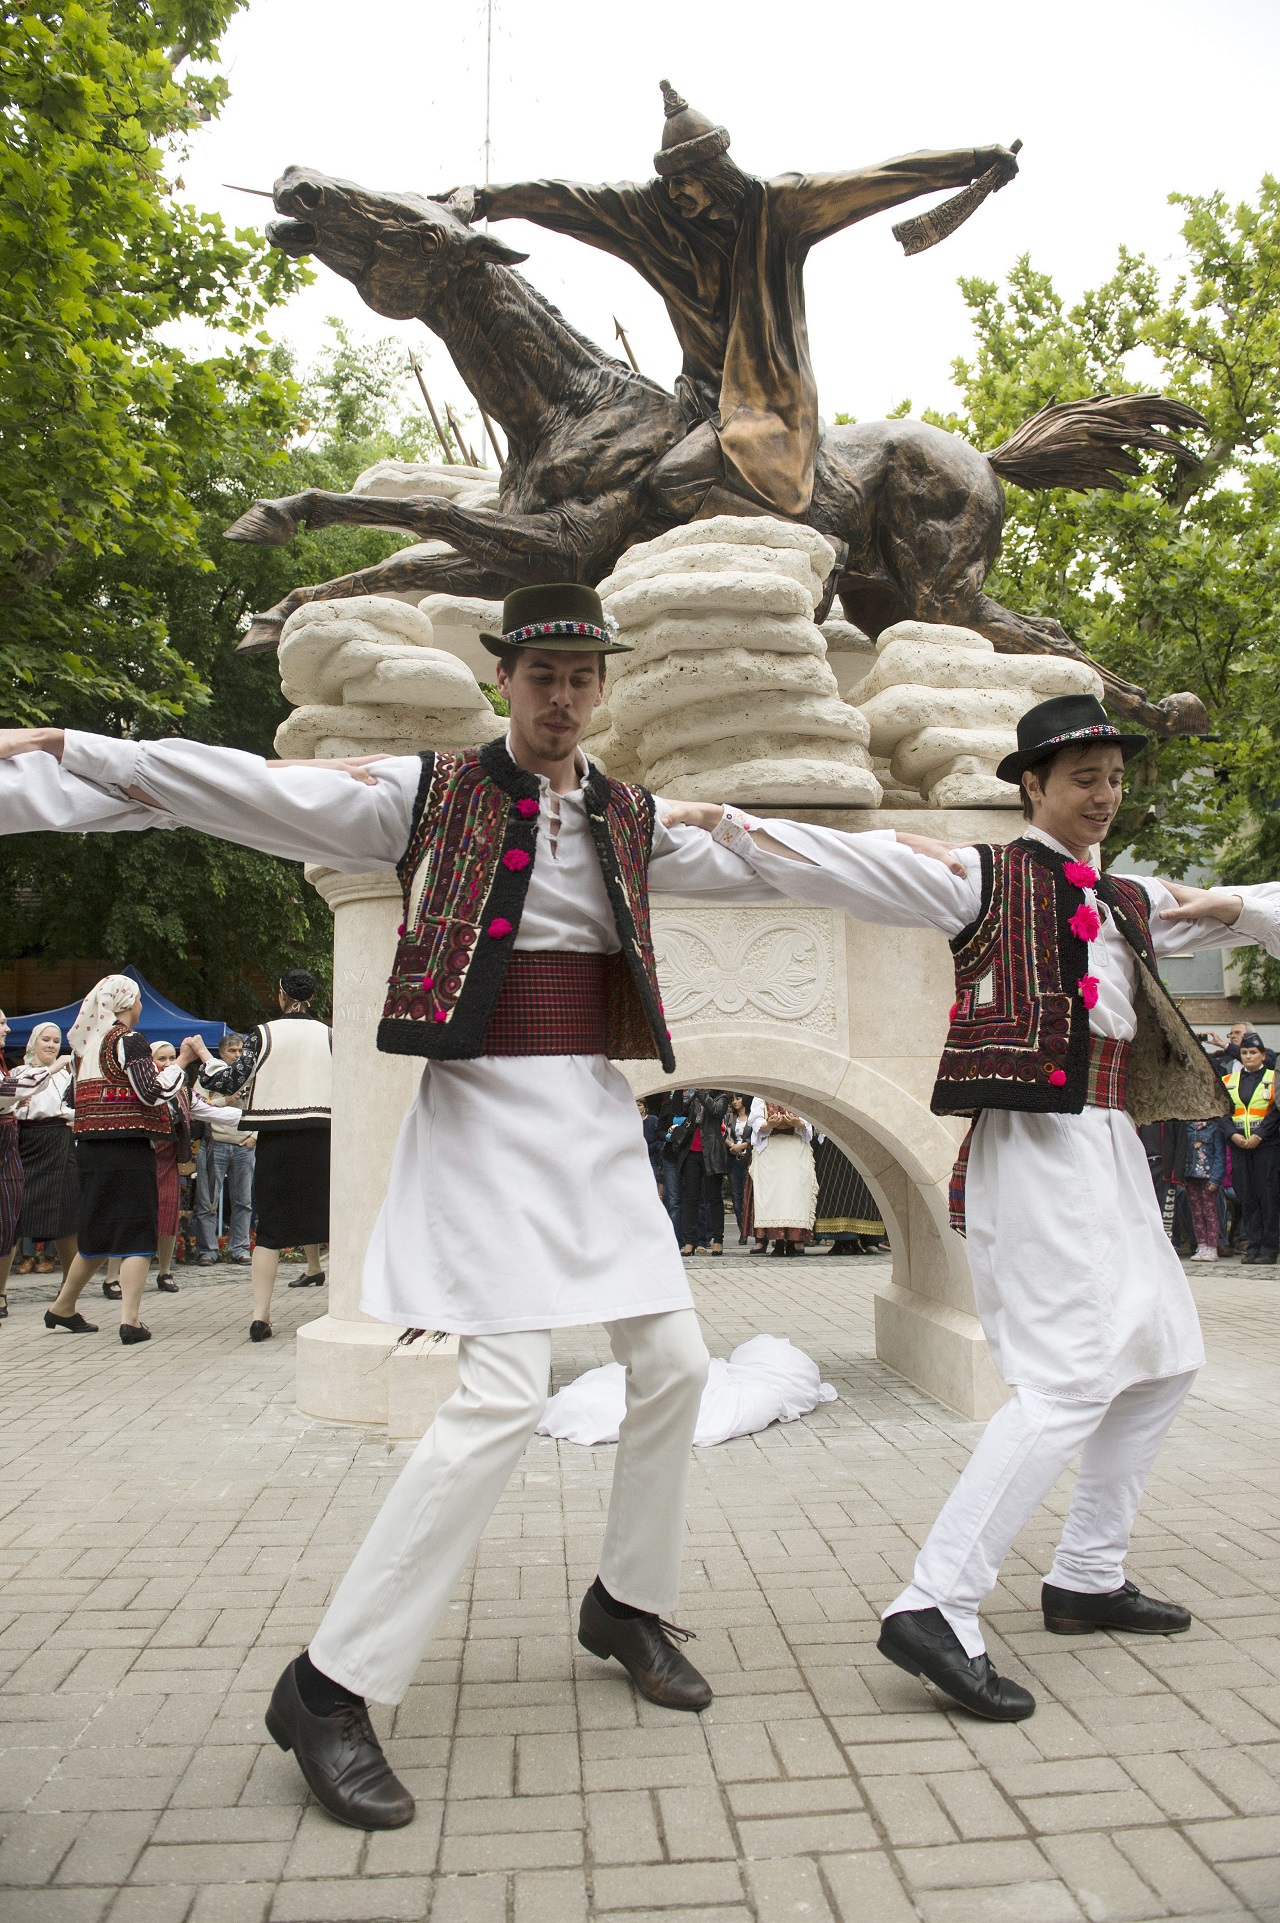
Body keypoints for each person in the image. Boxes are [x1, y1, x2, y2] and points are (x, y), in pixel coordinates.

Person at [1, 579, 911, 1831]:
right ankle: (327, 1690)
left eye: (582, 675)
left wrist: (959, 874)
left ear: (604, 685)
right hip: (481, 1121)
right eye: (541, 674)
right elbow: (243, 792)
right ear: (505, 679)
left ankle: (624, 1604)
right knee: (495, 1399)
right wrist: (75, 753)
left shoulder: (634, 817)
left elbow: (785, 854)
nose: (562, 695)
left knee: (676, 1368)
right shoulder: (422, 796)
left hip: (591, 1118)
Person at [666, 692, 1280, 1721]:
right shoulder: (976, 876)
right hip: (1033, 1149)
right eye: (1081, 776)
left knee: (1166, 1356)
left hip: (1108, 1147)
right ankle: (935, 1604)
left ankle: (1085, 1572)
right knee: (1066, 1381)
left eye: (1114, 777)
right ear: (1030, 786)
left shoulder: (1123, 897)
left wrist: (1240, 906)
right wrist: (729, 821)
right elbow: (850, 867)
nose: (1102, 793)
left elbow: (1225, 903)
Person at [449, 86, 1016, 523]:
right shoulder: (652, 215)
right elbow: (570, 200)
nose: (675, 194)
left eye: (685, 182)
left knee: (670, 480)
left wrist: (970, 161)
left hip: (766, 406)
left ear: (714, 172)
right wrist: (491, 198)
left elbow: (875, 179)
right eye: (668, 183)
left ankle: (809, 545)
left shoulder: (779, 207)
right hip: (694, 400)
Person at [37, 976, 202, 1344]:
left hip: (89, 1145)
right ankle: (130, 1321)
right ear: (129, 1002)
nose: (142, 1008)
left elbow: (72, 1099)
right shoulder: (128, 1039)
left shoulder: (87, 1045)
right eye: (140, 1001)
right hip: (125, 1144)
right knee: (137, 1231)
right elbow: (152, 1092)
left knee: (96, 1231)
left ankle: (61, 1308)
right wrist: (183, 1062)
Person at [197, 971, 329, 1337]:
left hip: (276, 1137)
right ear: (313, 998)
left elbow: (228, 1081)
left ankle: (261, 1315)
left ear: (280, 994)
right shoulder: (331, 1035)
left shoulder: (262, 1034)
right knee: (331, 1220)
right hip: (323, 1136)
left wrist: (206, 1059)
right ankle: (340, 1309)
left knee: (269, 1229)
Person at [12, 1022, 78, 1294]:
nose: (51, 1045)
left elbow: (75, 1109)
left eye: (55, 1040)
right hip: (28, 1143)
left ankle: (70, 1287)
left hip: (61, 1142)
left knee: (68, 1216)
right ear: (33, 1043)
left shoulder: (66, 1076)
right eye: (45, 1040)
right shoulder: (19, 1073)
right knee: (15, 1216)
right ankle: (2, 1292)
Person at [194, 1034, 256, 1266]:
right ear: (221, 1053)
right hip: (215, 1142)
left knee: (243, 1201)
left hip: (243, 1144)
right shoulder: (208, 1073)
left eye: (241, 1051)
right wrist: (225, 1101)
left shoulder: (250, 1074)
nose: (238, 1055)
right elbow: (196, 1104)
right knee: (208, 1200)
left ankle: (239, 1248)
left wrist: (254, 1137)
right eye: (232, 1051)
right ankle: (207, 1251)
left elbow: (260, 1105)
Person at [1222, 1032, 1279, 1265]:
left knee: (1268, 1196)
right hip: (1239, 1146)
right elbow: (1221, 1111)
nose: (1248, 1056)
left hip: (1267, 1145)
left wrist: (1259, 1135)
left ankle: (1269, 1248)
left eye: (1253, 1052)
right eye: (1244, 1053)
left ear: (1263, 1055)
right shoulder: (1229, 1080)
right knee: (1247, 1196)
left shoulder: (1274, 1078)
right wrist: (1233, 1135)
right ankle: (1253, 1246)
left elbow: (1275, 1112)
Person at [748, 1098, 816, 1255]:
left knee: (794, 1195)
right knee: (774, 1196)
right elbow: (756, 1120)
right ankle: (777, 1241)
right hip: (772, 1148)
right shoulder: (761, 1095)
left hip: (794, 1146)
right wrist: (769, 1124)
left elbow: (808, 1121)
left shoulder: (798, 1092)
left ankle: (793, 1241)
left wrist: (798, 1123)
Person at [813, 1133, 886, 1254]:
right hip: (832, 1142)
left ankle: (861, 1240)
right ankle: (841, 1241)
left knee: (859, 1190)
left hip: (858, 1140)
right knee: (834, 1188)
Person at [678, 1090, 730, 1255]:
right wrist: (684, 1092)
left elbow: (715, 1111)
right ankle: (689, 1241)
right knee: (691, 1198)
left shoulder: (722, 1098)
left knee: (714, 1199)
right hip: (692, 1152)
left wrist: (701, 1093)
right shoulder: (697, 1096)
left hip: (712, 1153)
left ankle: (718, 1240)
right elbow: (681, 1109)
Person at [1180, 1117, 1226, 1261]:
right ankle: (1201, 1245)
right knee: (1197, 1214)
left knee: (1210, 1213)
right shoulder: (1187, 1128)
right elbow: (1182, 1153)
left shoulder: (1214, 1128)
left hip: (1208, 1177)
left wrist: (1216, 1179)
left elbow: (1220, 1155)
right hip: (1190, 1176)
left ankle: (1212, 1247)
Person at [724, 1093, 752, 1242]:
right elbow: (723, 1132)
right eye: (733, 1099)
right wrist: (733, 1146)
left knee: (749, 1195)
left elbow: (757, 1134)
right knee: (737, 1197)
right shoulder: (729, 1117)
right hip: (733, 1159)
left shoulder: (753, 1116)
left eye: (738, 1098)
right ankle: (742, 1230)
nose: (735, 1102)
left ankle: (750, 1228)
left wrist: (744, 1144)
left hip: (749, 1159)